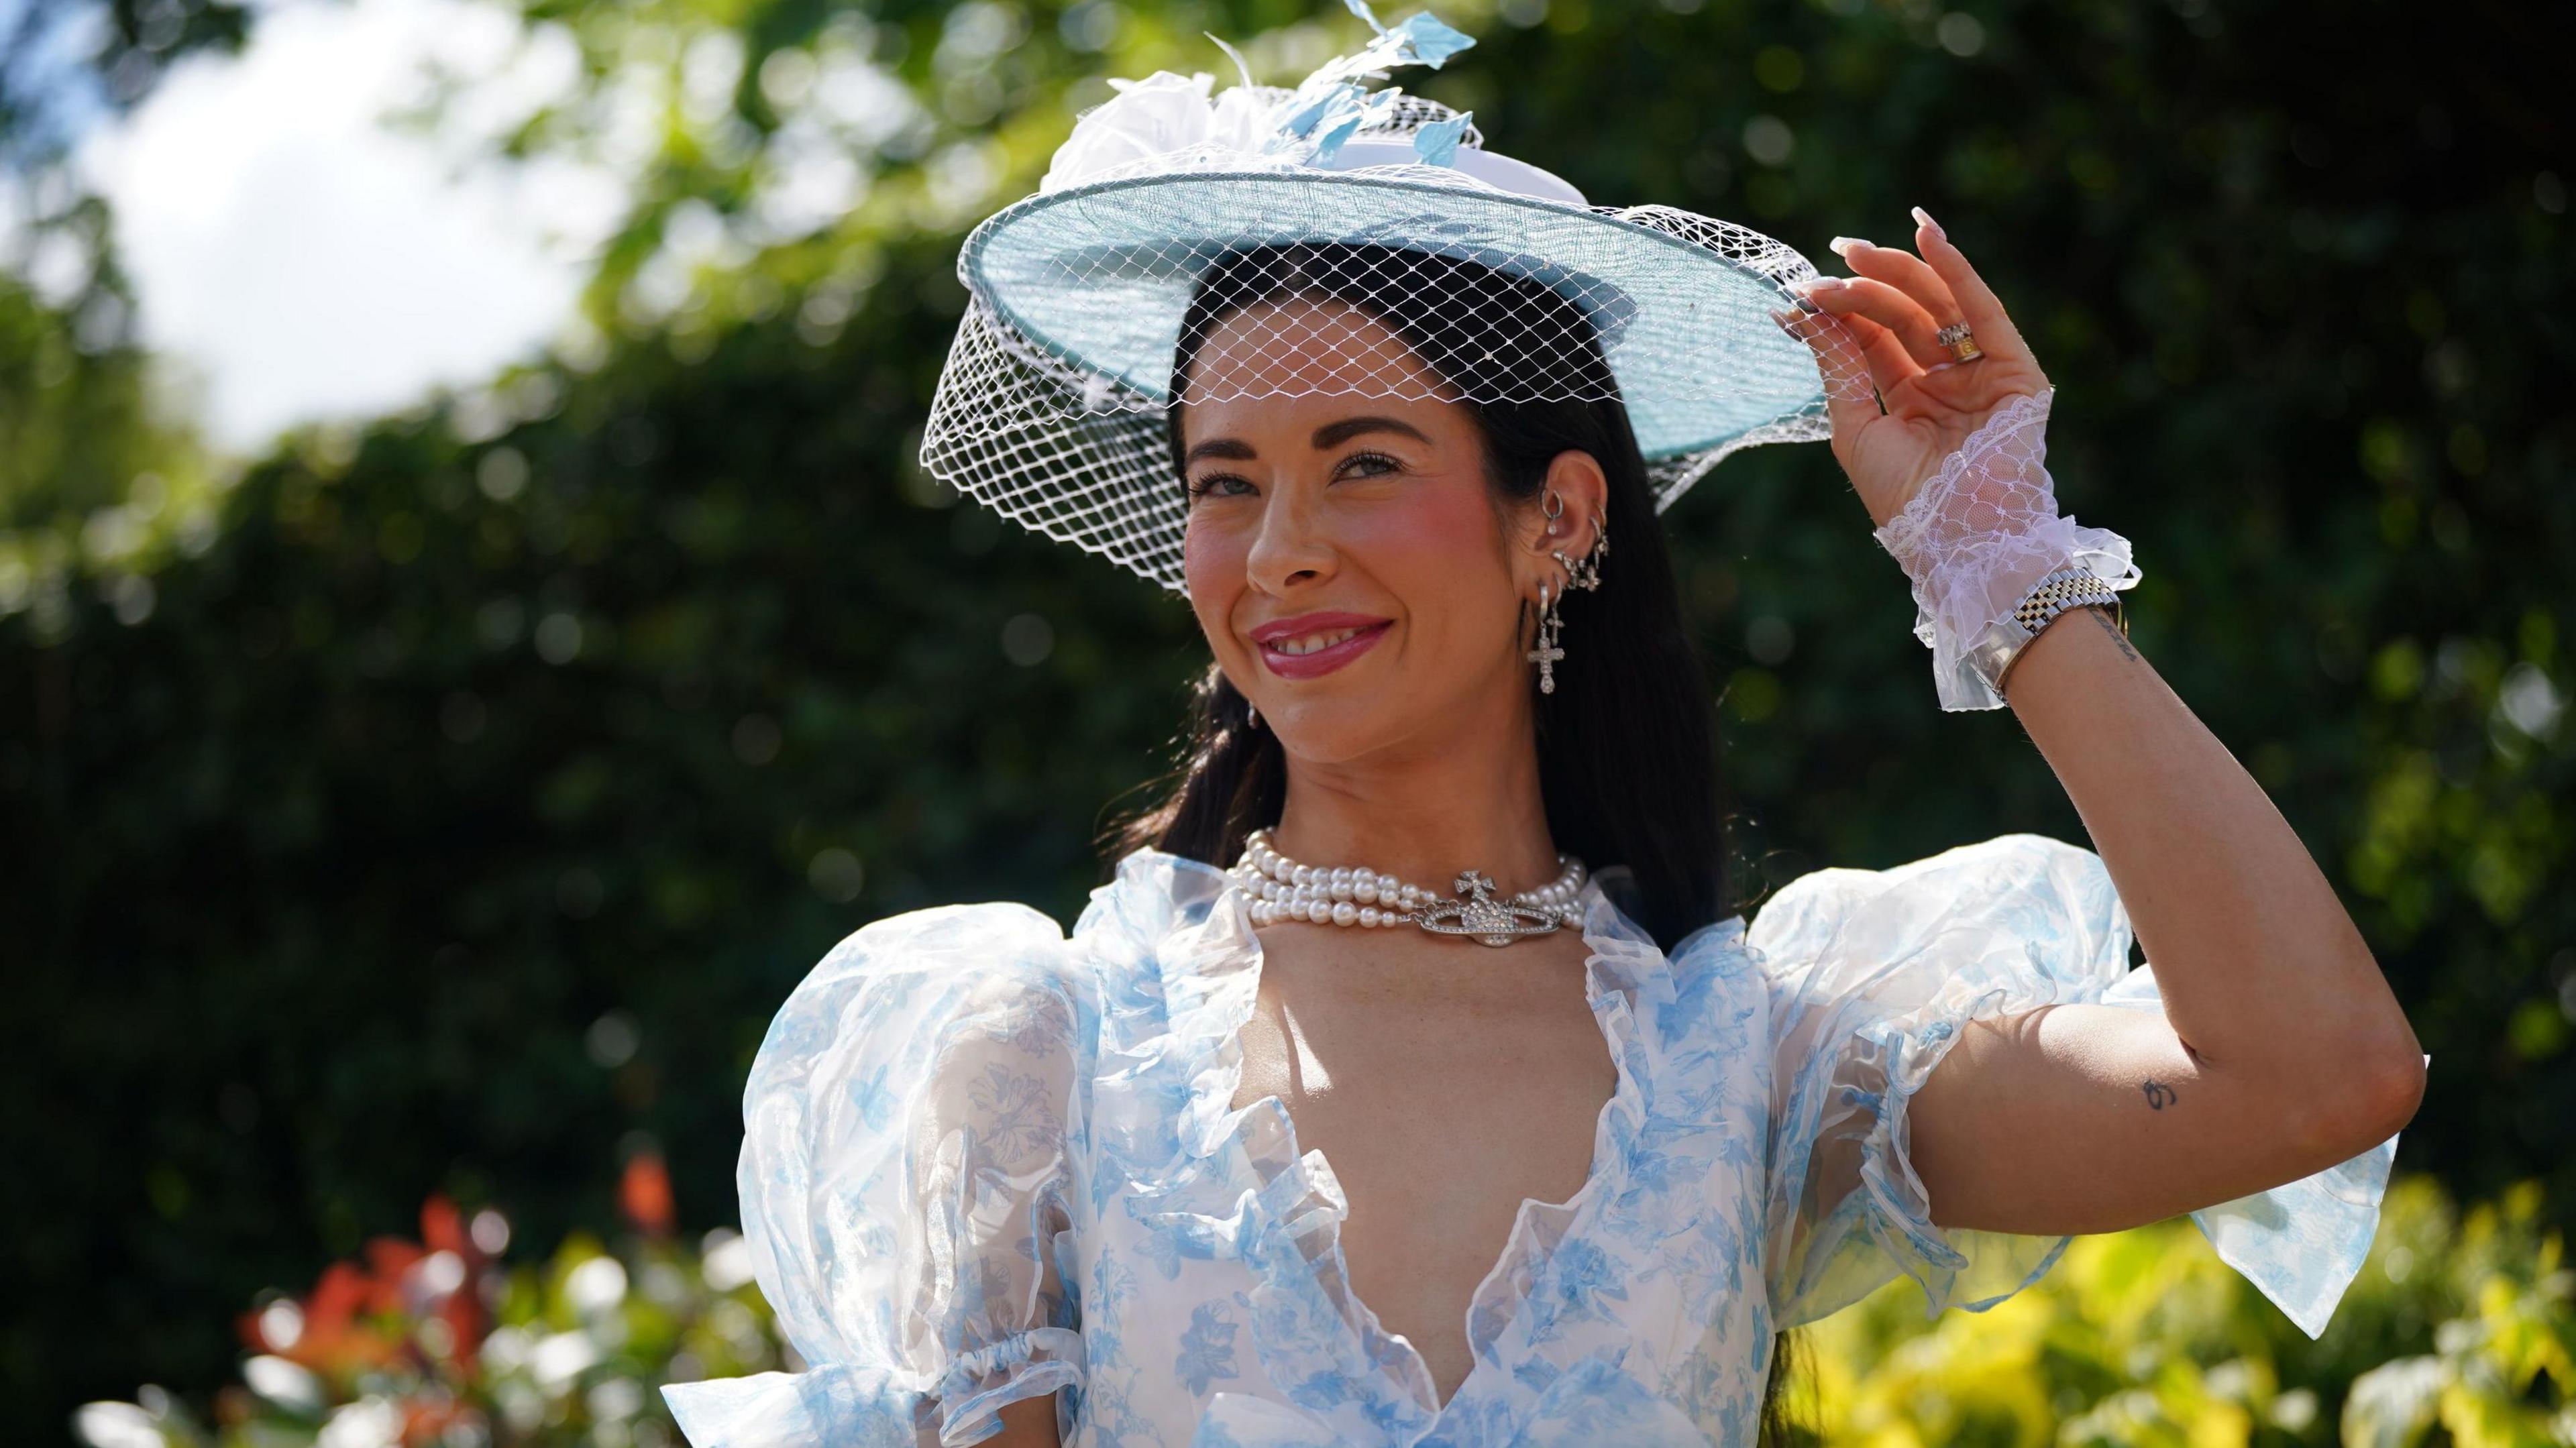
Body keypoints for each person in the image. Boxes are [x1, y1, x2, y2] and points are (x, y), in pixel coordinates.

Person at [663, 7, 2427, 1444]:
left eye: (1363, 464)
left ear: (1558, 521)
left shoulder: (1753, 1065)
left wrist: (1997, 557)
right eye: (1228, 482)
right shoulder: (1036, 1059)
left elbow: (2317, 1075)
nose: (1281, 554)